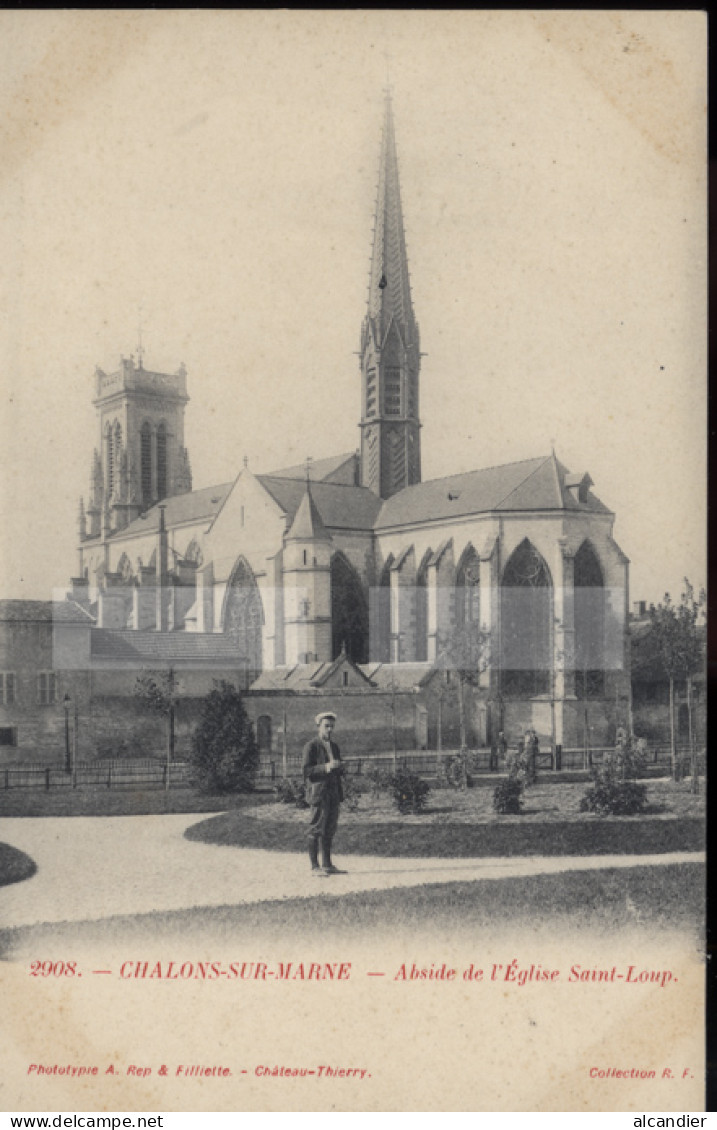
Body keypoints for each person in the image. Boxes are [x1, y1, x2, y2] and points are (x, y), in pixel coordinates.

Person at [302, 711, 346, 876]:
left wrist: (340, 767)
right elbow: (307, 771)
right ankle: (315, 867)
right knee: (316, 829)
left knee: (330, 829)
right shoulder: (311, 746)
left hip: (333, 792)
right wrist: (327, 767)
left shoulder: (334, 746)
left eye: (332, 726)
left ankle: (327, 865)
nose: (329, 729)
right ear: (318, 727)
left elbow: (336, 769)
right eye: (326, 726)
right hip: (318, 793)